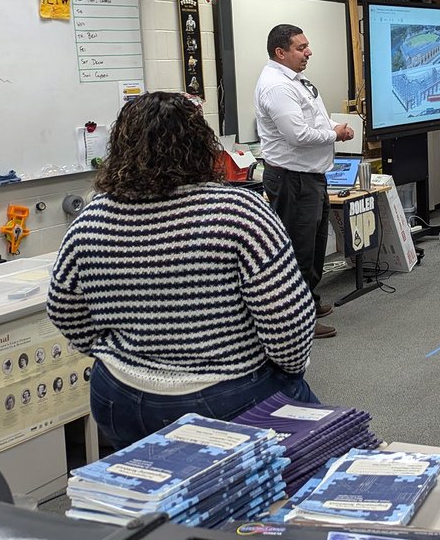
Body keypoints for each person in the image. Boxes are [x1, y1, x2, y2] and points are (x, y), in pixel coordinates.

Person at [47, 92, 317, 450]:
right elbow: (289, 325)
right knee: (322, 446)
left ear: (121, 149)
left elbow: (62, 307)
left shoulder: (93, 219)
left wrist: (114, 352)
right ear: (201, 144)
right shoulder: (239, 211)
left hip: (118, 396)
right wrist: (287, 371)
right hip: (223, 394)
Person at [255, 24, 355, 340]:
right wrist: (334, 134)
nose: (308, 52)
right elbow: (297, 136)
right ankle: (297, 323)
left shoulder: (297, 81)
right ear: (280, 52)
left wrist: (333, 126)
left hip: (310, 177)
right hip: (292, 180)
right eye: (301, 48)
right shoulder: (277, 87)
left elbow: (313, 120)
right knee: (298, 250)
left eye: (307, 46)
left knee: (313, 246)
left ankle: (309, 301)